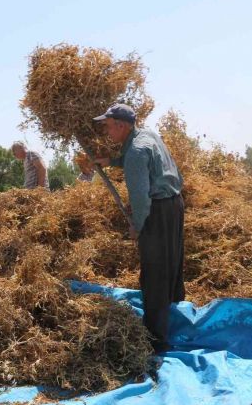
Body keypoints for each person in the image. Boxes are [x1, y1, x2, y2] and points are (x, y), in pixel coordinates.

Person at [93, 104, 184, 353]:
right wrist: (111, 161)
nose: (107, 132)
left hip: (156, 210)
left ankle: (156, 340)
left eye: (108, 127)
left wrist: (139, 226)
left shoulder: (134, 151)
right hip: (175, 204)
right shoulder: (148, 136)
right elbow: (138, 160)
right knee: (171, 263)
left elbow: (140, 198)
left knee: (154, 273)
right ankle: (175, 317)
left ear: (121, 125)